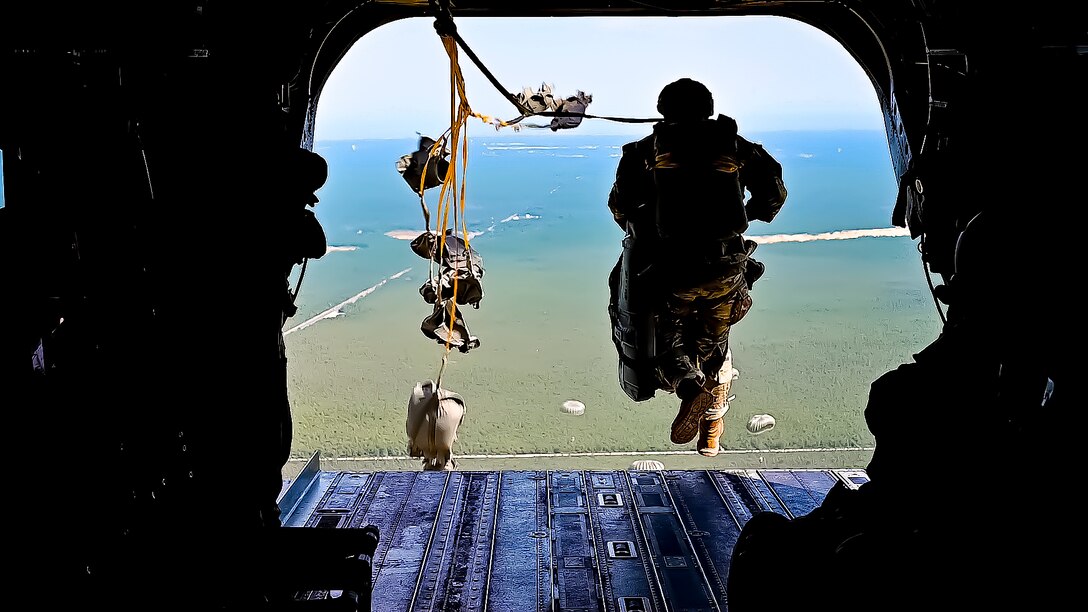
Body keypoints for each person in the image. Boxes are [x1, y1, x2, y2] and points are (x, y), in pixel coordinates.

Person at [607, 78, 787, 456]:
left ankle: (690, 387)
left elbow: (621, 207)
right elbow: (773, 193)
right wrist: (744, 217)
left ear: (663, 110)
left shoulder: (644, 151)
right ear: (708, 108)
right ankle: (711, 429)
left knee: (664, 344)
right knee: (714, 343)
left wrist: (650, 223)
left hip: (671, 272)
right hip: (725, 269)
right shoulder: (736, 146)